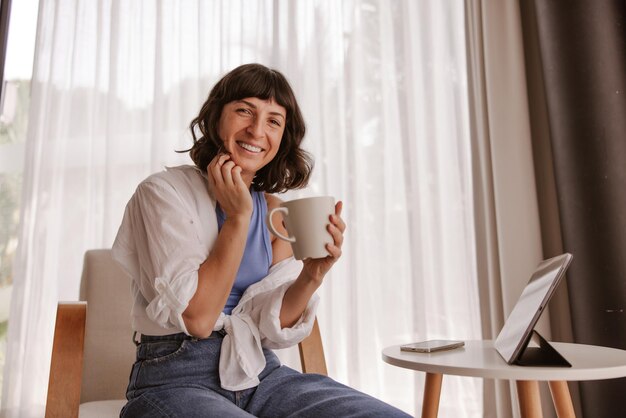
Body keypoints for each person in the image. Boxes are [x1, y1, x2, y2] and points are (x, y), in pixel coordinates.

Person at [112, 63, 410, 417]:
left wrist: (312, 274)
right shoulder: (162, 193)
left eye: (273, 120)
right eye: (244, 111)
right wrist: (238, 218)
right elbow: (198, 318)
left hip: (260, 373)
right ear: (215, 118)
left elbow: (268, 329)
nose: (256, 130)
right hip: (175, 379)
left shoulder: (274, 213)